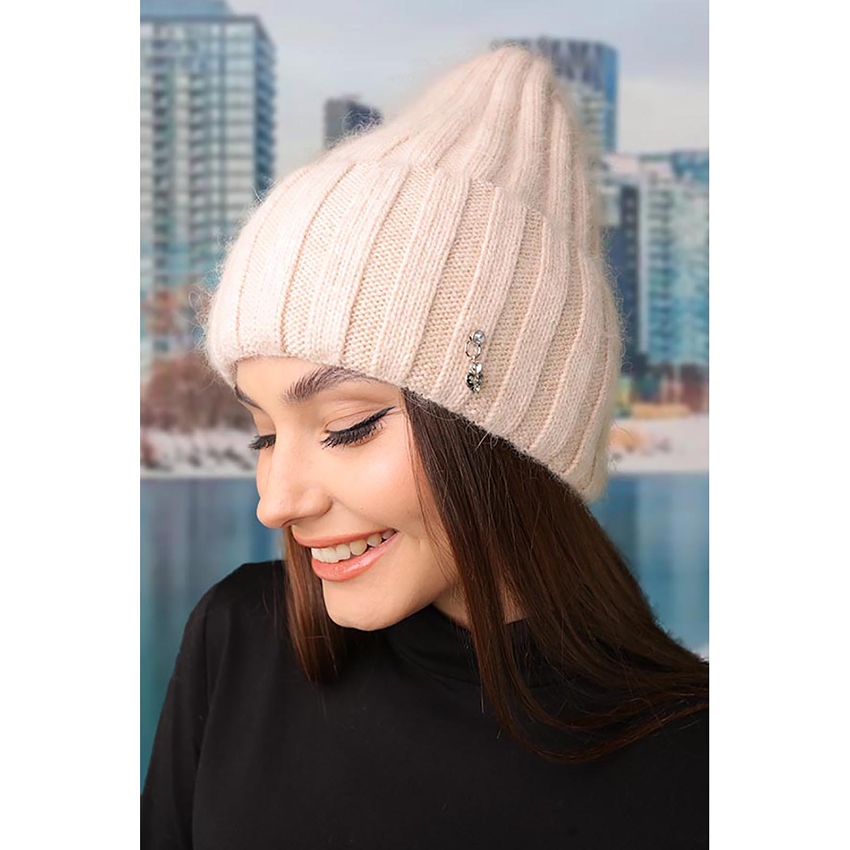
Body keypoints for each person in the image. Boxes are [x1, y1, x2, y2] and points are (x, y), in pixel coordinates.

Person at [141, 44, 708, 849]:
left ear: (506, 433)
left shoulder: (703, 767)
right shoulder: (238, 642)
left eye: (346, 426)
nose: (277, 502)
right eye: (263, 433)